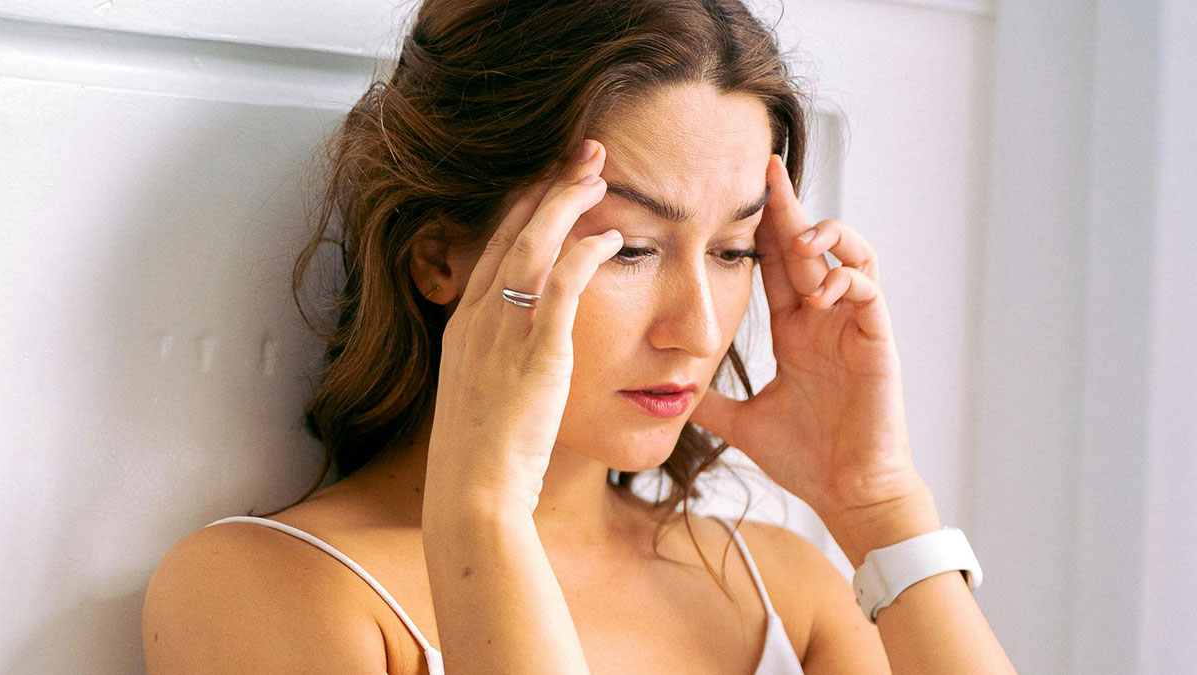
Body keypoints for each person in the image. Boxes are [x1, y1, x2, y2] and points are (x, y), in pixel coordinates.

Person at [142, 0, 1017, 672]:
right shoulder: (263, 590)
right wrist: (482, 517)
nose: (699, 329)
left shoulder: (779, 590)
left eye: (733, 249)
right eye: (629, 249)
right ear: (441, 255)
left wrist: (878, 504)